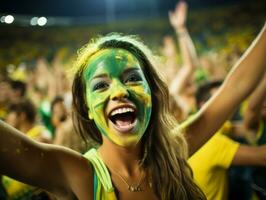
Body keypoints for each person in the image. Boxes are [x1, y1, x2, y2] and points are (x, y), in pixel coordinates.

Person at [0, 21, 265, 199]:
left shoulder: (173, 152)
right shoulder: (77, 174)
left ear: (152, 94)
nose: (119, 92)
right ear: (87, 108)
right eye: (101, 85)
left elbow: (237, 86)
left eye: (133, 79)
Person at [188, 78, 266, 200]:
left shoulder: (196, 126)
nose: (232, 102)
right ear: (204, 105)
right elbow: (262, 157)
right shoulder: (213, 143)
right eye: (223, 98)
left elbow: (245, 128)